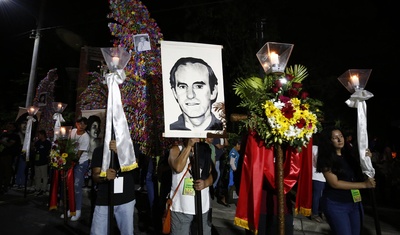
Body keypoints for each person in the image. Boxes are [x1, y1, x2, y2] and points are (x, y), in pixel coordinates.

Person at [316, 126, 376, 235]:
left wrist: (367, 161)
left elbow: (359, 175)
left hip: (355, 203)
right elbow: (335, 183)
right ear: (329, 141)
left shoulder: (349, 156)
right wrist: (364, 185)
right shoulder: (326, 159)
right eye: (335, 138)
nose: (340, 140)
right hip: (336, 204)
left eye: (341, 136)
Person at [168, 138, 214, 235]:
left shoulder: (205, 149)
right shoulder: (176, 149)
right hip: (181, 208)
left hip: (202, 208)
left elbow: (213, 174)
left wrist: (205, 183)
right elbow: (178, 168)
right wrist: (188, 146)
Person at [90, 139, 136, 235]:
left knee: (127, 232)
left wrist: (120, 152)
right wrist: (104, 177)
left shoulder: (131, 148)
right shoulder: (99, 150)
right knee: (98, 232)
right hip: (104, 199)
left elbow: (134, 165)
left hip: (126, 199)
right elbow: (95, 175)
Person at [169, 57, 223, 131]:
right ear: (174, 93)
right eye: (183, 87)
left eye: (198, 86)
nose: (190, 95)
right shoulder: (170, 132)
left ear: (213, 91)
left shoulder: (223, 131)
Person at [61, 116, 90, 221]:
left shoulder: (85, 137)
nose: (81, 126)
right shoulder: (72, 131)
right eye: (79, 123)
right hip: (70, 161)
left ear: (86, 126)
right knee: (68, 185)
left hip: (80, 163)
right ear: (76, 124)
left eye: (84, 124)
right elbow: (67, 145)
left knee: (76, 185)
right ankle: (70, 209)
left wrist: (68, 162)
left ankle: (77, 210)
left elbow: (78, 155)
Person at [0, 122, 21, 193]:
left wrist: (3, 142)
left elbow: (10, 144)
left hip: (9, 155)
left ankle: (6, 186)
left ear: (13, 128)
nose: (8, 128)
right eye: (8, 126)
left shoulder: (14, 136)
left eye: (10, 126)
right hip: (2, 154)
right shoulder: (3, 134)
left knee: (7, 171)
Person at [310, 134, 326, 223]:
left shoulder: (311, 148)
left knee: (316, 195)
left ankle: (317, 211)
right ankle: (315, 213)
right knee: (318, 195)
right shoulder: (318, 149)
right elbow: (319, 162)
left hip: (313, 174)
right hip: (319, 175)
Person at [33, 130, 51, 196]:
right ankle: (37, 188)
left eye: (40, 135)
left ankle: (43, 189)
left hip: (43, 161)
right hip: (37, 161)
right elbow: (35, 148)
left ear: (43, 135)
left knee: (44, 176)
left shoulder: (47, 143)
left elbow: (48, 152)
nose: (38, 136)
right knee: (37, 176)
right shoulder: (38, 142)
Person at [85, 115, 102, 188]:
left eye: (98, 127)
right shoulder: (84, 140)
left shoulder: (99, 144)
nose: (96, 130)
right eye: (94, 127)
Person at [227, 138, 241, 204]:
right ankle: (229, 198)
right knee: (231, 185)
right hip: (233, 171)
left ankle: (233, 198)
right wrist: (235, 170)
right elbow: (231, 163)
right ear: (237, 145)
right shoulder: (233, 152)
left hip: (234, 171)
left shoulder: (235, 152)